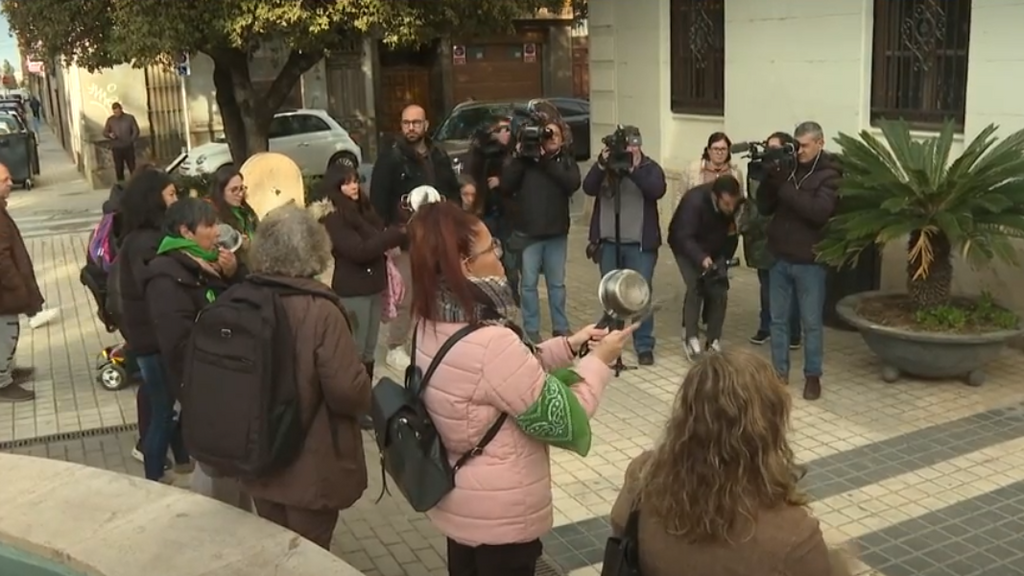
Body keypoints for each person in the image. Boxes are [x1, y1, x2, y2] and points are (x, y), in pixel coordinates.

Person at [405, 200, 632, 576]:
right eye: (491, 247)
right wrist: (599, 361)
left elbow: (505, 377)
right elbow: (564, 419)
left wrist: (571, 345)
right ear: (465, 264)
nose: (499, 254)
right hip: (502, 519)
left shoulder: (432, 319)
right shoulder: (491, 341)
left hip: (462, 503)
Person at [609, 350, 853, 576]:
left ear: (685, 417)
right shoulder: (794, 537)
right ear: (770, 428)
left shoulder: (643, 476)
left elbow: (621, 529)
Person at [240, 205, 373, 550]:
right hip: (311, 462)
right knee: (309, 555)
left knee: (276, 551)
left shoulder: (243, 299)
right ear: (315, 250)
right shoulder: (321, 310)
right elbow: (348, 391)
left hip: (258, 455)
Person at [142, 199, 247, 507]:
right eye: (209, 226)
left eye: (217, 224)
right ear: (185, 231)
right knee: (216, 478)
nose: (217, 232)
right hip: (205, 388)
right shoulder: (166, 276)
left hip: (225, 383)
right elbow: (179, 346)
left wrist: (234, 274)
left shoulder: (207, 264)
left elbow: (240, 305)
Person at [312, 163, 404, 428]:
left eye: (355, 181)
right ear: (335, 187)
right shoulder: (335, 217)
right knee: (355, 349)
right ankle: (351, 406)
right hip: (353, 291)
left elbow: (376, 238)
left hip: (374, 287)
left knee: (369, 348)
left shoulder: (364, 211)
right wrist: (392, 237)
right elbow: (358, 250)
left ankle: (364, 400)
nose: (353, 186)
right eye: (346, 182)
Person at [369, 103, 460, 370]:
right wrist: (387, 238)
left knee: (438, 291)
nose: (411, 128)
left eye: (416, 123)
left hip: (437, 238)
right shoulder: (391, 157)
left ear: (426, 125)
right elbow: (377, 203)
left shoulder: (438, 155)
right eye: (406, 123)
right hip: (404, 240)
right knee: (405, 295)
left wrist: (445, 202)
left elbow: (453, 194)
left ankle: (433, 343)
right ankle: (396, 347)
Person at [758, 121, 841, 401]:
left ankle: (813, 376)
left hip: (810, 261)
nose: (799, 150)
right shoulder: (788, 167)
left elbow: (818, 212)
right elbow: (764, 207)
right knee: (777, 321)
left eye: (805, 145)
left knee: (811, 322)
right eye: (797, 144)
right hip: (780, 257)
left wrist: (784, 188)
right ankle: (779, 373)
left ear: (820, 143)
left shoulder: (830, 175)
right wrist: (770, 179)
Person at [117, 168, 185, 477]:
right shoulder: (145, 242)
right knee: (162, 413)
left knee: (170, 408)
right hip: (152, 342)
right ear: (153, 200)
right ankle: (154, 477)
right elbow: (156, 284)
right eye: (171, 194)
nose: (177, 200)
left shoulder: (147, 237)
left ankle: (180, 462)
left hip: (155, 339)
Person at [582, 125, 666, 365]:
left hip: (640, 245)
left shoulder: (649, 168)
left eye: (634, 145)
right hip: (609, 243)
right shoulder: (606, 168)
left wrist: (633, 169)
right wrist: (601, 164)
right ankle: (610, 343)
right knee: (611, 295)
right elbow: (588, 187)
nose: (631, 150)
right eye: (626, 146)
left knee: (641, 295)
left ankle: (643, 345)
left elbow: (656, 190)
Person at [500, 120, 581, 343]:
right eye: (547, 134)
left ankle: (561, 326)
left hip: (556, 233)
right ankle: (531, 328)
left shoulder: (564, 160)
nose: (551, 137)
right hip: (529, 233)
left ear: (562, 139)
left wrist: (545, 160)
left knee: (557, 284)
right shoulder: (525, 161)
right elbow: (506, 185)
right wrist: (519, 157)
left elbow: (572, 183)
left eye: (555, 134)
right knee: (528, 284)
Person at [668, 175, 744, 360]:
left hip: (715, 248)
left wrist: (723, 260)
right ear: (715, 197)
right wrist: (702, 258)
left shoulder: (734, 204)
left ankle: (713, 340)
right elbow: (683, 235)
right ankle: (691, 337)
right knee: (696, 286)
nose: (730, 208)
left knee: (719, 289)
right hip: (686, 246)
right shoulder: (694, 201)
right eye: (726, 204)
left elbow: (731, 235)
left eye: (733, 204)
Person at [738, 132, 801, 348]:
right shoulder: (760, 171)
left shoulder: (792, 171)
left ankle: (793, 332)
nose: (769, 153)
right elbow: (755, 200)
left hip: (784, 239)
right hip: (761, 239)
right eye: (767, 147)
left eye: (774, 148)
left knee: (787, 289)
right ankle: (765, 327)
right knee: (766, 287)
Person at [0, 163, 43, 403]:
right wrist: (18, 286)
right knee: (6, 332)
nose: (11, 182)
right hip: (4, 292)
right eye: (4, 180)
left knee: (6, 331)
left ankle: (7, 370)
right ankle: (2, 382)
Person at [207, 165, 258, 269]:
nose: (240, 194)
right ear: (221, 192)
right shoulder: (215, 218)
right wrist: (239, 246)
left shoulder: (246, 210)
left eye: (241, 188)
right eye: (234, 190)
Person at [103, 103, 140, 182]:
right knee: (119, 168)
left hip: (128, 146)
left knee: (132, 167)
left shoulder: (129, 118)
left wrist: (131, 140)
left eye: (117, 112)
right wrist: (110, 135)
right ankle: (120, 184)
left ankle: (135, 183)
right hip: (117, 147)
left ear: (121, 109)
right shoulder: (110, 120)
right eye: (115, 112)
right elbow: (105, 132)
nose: (116, 114)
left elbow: (136, 131)